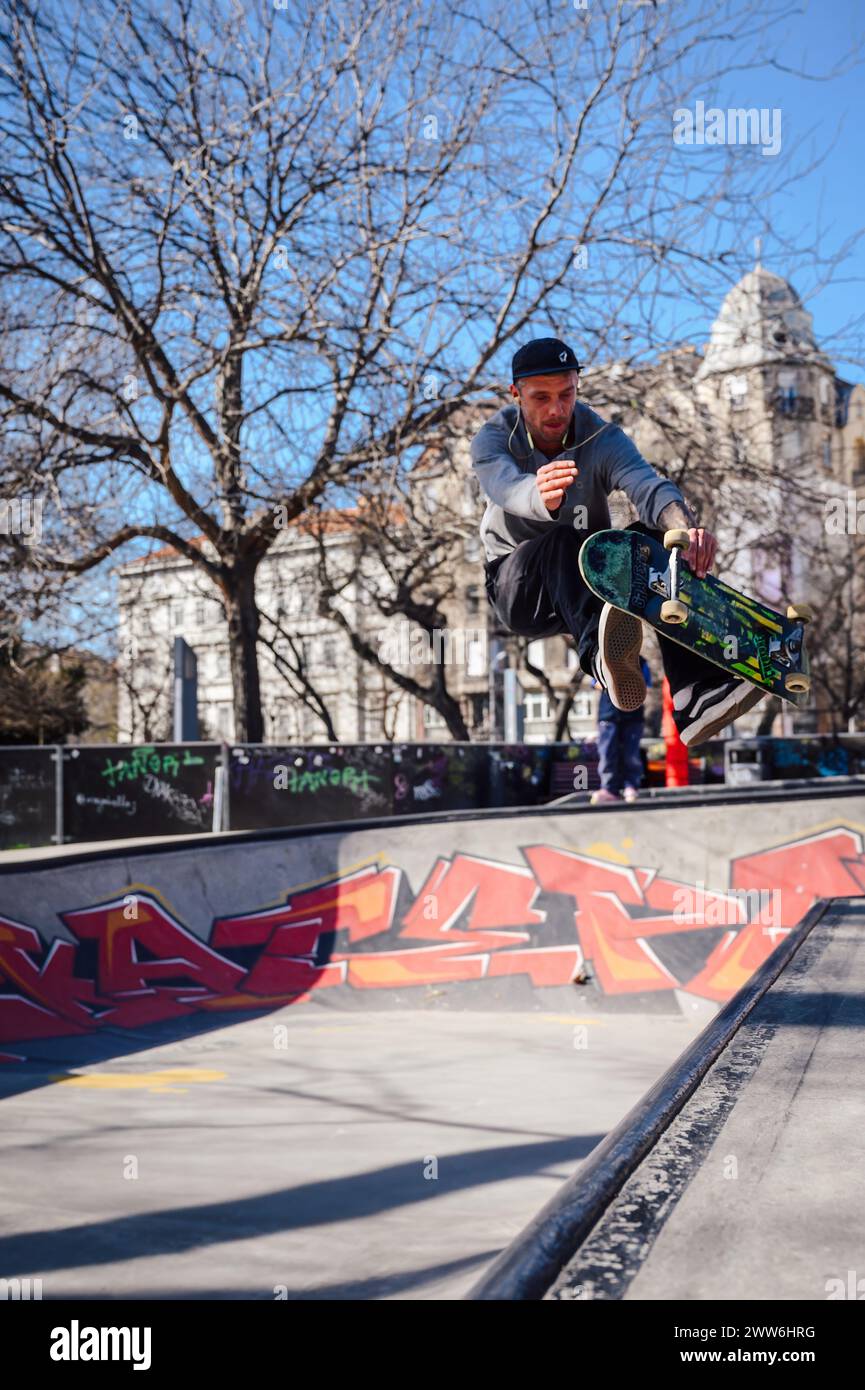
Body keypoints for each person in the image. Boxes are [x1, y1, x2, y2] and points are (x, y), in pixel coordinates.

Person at [472, 337, 766, 746]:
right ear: (516, 394)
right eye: (541, 398)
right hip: (518, 589)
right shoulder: (492, 439)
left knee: (651, 541)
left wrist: (684, 530)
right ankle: (599, 656)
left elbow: (648, 487)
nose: (556, 410)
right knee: (561, 539)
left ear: (577, 387)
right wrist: (537, 495)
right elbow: (504, 487)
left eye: (566, 395)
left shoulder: (601, 438)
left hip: (584, 583)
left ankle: (697, 690)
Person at [591, 655, 651, 804]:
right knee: (607, 753)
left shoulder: (641, 661)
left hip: (633, 714)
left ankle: (631, 786)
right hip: (608, 714)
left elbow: (646, 685)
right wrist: (612, 683)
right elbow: (594, 682)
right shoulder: (602, 657)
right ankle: (609, 788)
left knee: (631, 754)